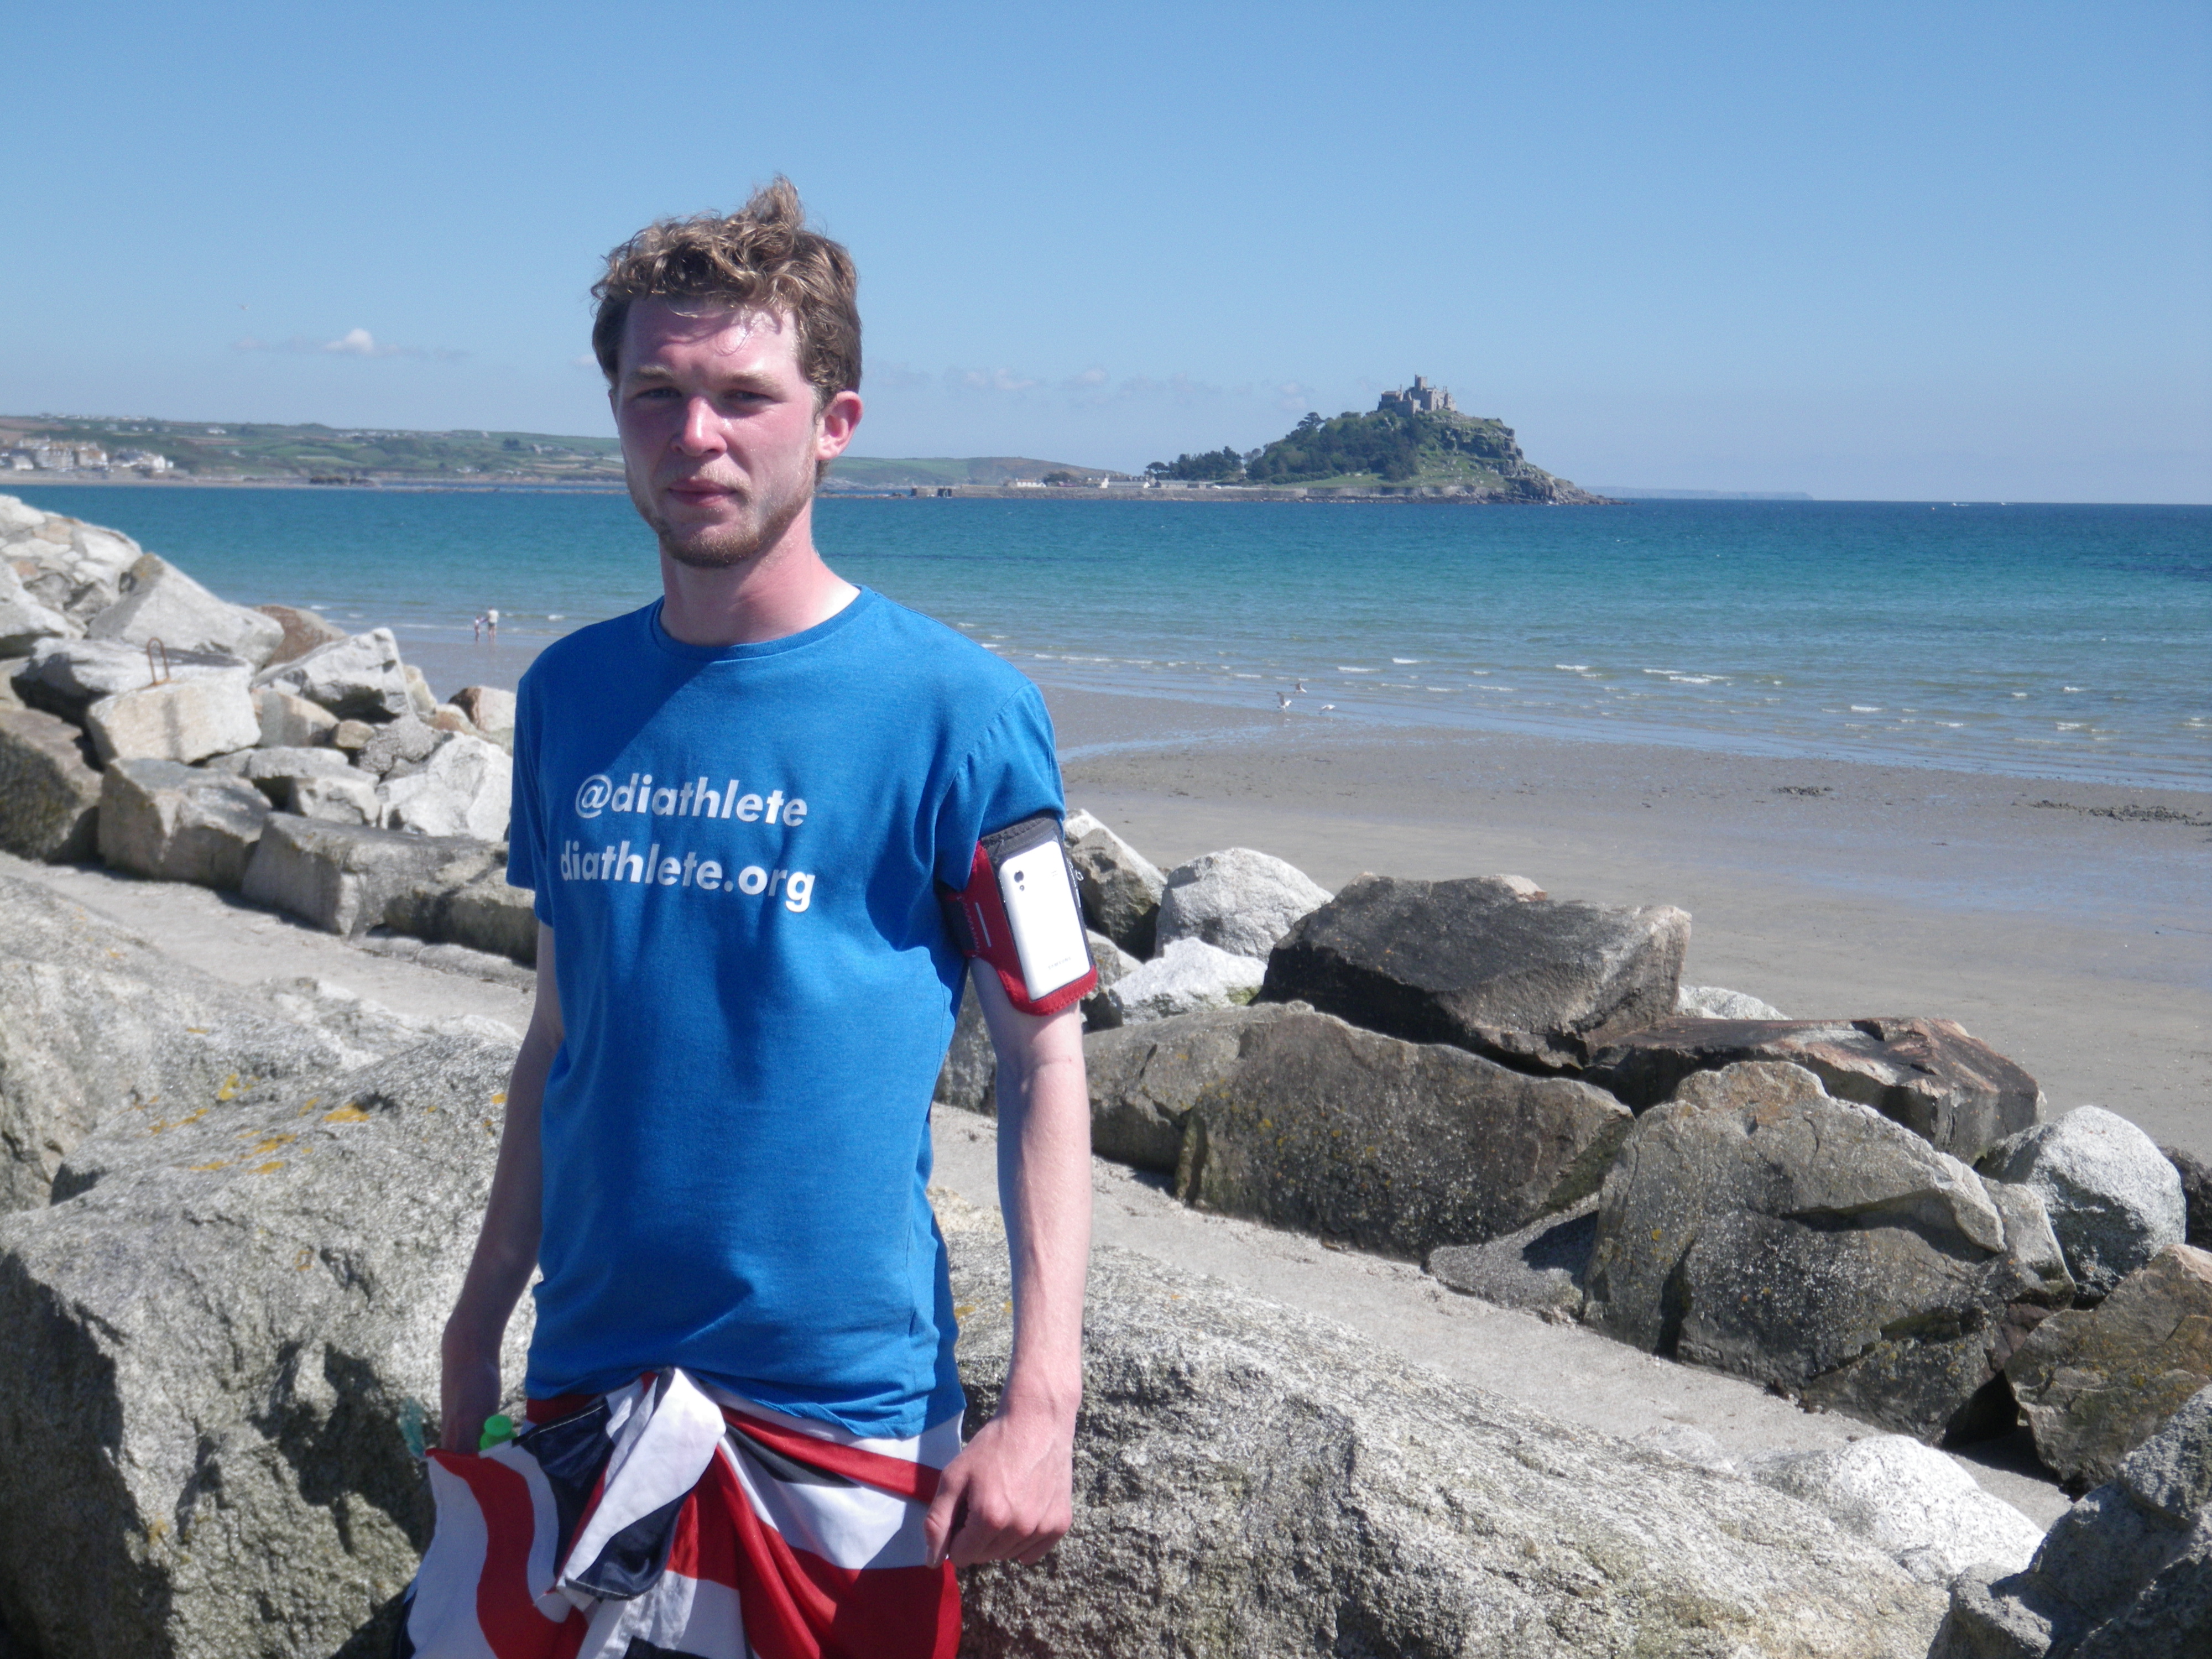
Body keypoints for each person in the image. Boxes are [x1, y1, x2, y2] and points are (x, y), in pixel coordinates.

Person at [403, 180, 1092, 1658]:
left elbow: (1046, 1063)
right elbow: (559, 1034)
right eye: (657, 392)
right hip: (584, 1402)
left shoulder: (963, 713)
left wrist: (1043, 1408)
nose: (696, 434)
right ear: (616, 411)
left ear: (834, 421)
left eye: (743, 396)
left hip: (839, 1436)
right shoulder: (573, 696)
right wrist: (478, 1327)